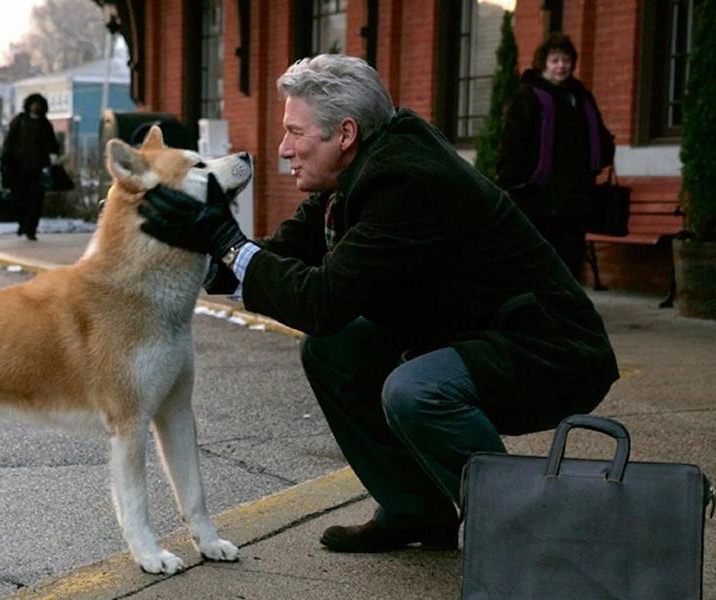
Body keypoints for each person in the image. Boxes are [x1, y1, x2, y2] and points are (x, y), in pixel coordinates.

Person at [138, 54, 619, 553]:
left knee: (415, 391)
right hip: (478, 334)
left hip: (549, 350)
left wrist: (226, 241)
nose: (284, 150)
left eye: (295, 133)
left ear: (343, 133)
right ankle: (417, 511)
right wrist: (200, 251)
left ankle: (525, 533)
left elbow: (321, 300)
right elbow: (283, 253)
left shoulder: (407, 182)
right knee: (332, 350)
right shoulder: (360, 167)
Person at [497, 33, 615, 279]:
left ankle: (568, 310)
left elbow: (600, 137)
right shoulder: (528, 97)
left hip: (577, 198)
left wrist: (604, 155)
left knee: (571, 260)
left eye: (566, 60)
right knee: (540, 260)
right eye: (555, 60)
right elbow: (512, 143)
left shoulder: (581, 98)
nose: (561, 66)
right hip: (538, 198)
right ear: (543, 64)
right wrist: (514, 182)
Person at [0, 93, 60, 241]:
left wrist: (51, 155)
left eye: (38, 104)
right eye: (33, 103)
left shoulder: (45, 124)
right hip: (18, 168)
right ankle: (22, 223)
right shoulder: (19, 121)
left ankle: (31, 229)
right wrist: (6, 160)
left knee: (35, 200)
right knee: (19, 198)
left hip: (38, 170)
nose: (35, 106)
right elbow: (9, 142)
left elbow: (53, 145)